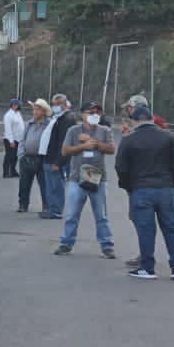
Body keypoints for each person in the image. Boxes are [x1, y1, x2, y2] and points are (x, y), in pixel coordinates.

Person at [117, 105, 174, 280]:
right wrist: (172, 182)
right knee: (171, 228)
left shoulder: (128, 140)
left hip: (141, 189)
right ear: (152, 119)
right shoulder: (168, 137)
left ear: (134, 121)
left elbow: (121, 168)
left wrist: (129, 187)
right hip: (165, 188)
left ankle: (147, 268)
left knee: (146, 230)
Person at [54, 102, 116, 259]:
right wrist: (83, 146)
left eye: (96, 112)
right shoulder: (73, 131)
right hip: (77, 178)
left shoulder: (105, 130)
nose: (94, 114)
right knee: (72, 214)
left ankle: (107, 246)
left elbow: (111, 149)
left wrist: (95, 144)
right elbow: (65, 150)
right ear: (82, 114)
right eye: (90, 112)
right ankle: (66, 243)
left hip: (98, 178)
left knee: (101, 215)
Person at [37, 93, 76, 220]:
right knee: (50, 185)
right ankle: (51, 208)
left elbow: (63, 142)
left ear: (64, 104)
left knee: (56, 185)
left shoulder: (67, 119)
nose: (55, 107)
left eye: (57, 104)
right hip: (48, 157)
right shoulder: (58, 117)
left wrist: (58, 161)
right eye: (53, 104)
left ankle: (56, 210)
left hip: (55, 159)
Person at [16, 99, 51, 215]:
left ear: (44, 111)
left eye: (38, 109)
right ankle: (23, 205)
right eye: (34, 109)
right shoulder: (29, 124)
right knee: (24, 184)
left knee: (44, 184)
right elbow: (22, 139)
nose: (35, 112)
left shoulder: (49, 124)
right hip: (26, 157)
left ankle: (46, 206)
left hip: (41, 158)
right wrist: (21, 154)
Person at [2, 98, 25, 178]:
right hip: (10, 139)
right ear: (13, 105)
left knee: (15, 156)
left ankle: (13, 171)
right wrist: (11, 141)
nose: (19, 106)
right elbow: (8, 129)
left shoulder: (18, 113)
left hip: (18, 139)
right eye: (18, 105)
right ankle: (5, 172)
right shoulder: (8, 115)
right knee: (9, 156)